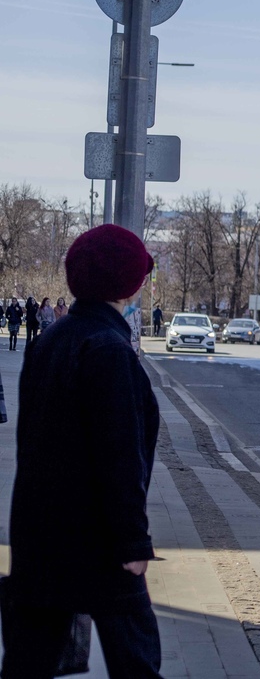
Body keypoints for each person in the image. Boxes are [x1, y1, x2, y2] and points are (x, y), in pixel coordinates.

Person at [2, 224, 162, 678]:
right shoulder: (109, 349)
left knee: (28, 661)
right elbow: (120, 457)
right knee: (137, 661)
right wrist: (133, 543)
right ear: (125, 282)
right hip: (99, 542)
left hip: (41, 537)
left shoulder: (51, 341)